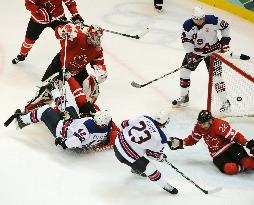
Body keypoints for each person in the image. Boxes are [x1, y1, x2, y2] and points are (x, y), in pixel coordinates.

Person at [24, 23, 108, 116]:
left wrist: (100, 70)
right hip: (60, 64)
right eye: (96, 37)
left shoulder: (96, 49)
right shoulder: (77, 36)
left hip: (79, 70)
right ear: (90, 34)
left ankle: (84, 110)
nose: (98, 40)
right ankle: (31, 109)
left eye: (99, 37)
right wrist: (64, 30)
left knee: (89, 86)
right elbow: (58, 31)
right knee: (47, 88)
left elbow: (98, 60)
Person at [10, 80, 117, 151]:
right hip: (77, 130)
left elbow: (76, 140)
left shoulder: (88, 125)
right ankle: (54, 89)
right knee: (68, 108)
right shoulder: (106, 129)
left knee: (45, 110)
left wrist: (63, 142)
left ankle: (22, 121)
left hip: (64, 133)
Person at [172, 6, 231, 112]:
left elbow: (225, 26)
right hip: (196, 53)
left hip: (214, 53)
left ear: (204, 17)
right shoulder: (187, 25)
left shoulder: (212, 20)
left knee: (216, 78)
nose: (199, 21)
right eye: (196, 19)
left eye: (201, 18)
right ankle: (184, 98)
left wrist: (225, 41)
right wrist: (190, 54)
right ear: (192, 18)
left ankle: (225, 103)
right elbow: (186, 40)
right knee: (184, 71)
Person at [168, 110, 254, 175]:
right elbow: (193, 139)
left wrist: (247, 143)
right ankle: (243, 167)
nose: (202, 126)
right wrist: (182, 142)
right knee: (230, 168)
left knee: (248, 163)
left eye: (204, 123)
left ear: (210, 121)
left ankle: (246, 165)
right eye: (200, 123)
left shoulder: (219, 125)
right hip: (217, 154)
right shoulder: (199, 127)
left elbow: (235, 136)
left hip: (230, 147)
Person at [113, 109, 178, 194]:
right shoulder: (161, 138)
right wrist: (161, 158)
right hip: (127, 157)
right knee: (150, 168)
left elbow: (123, 124)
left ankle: (136, 169)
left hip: (116, 143)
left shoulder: (144, 117)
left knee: (136, 153)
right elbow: (151, 155)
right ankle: (166, 186)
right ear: (165, 122)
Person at [12, 0, 84, 64]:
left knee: (67, 37)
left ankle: (69, 58)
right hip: (38, 20)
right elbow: (29, 3)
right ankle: (22, 55)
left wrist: (75, 14)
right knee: (29, 41)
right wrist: (39, 9)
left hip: (58, 19)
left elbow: (70, 2)